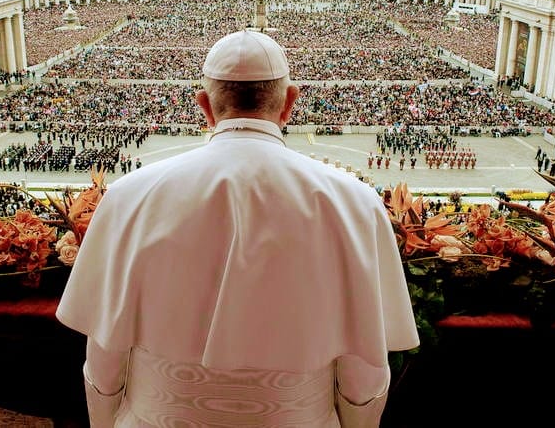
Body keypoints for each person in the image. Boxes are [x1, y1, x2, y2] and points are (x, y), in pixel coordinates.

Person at [57, 29, 418, 427]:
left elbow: (105, 354)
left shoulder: (129, 195)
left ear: (204, 106)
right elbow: (363, 367)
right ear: (289, 104)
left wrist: (107, 421)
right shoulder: (355, 202)